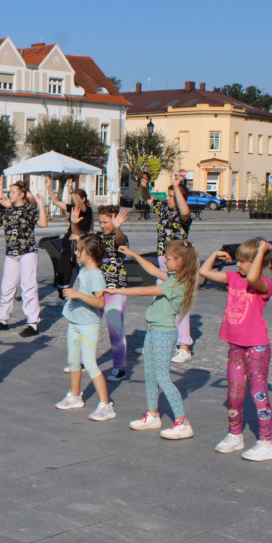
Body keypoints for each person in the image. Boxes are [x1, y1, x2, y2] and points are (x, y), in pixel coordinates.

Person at [199, 238, 272, 461]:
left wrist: (262, 250)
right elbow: (204, 272)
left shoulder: (265, 284)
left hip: (257, 347)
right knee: (234, 394)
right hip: (236, 346)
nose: (239, 264)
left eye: (245, 261)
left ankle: (267, 442)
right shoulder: (233, 278)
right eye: (238, 260)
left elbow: (253, 277)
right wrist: (215, 254)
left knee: (258, 394)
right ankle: (235, 435)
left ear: (259, 261)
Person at [106, 240, 200, 440]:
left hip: (164, 334)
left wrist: (117, 291)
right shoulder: (173, 278)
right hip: (154, 330)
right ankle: (153, 415)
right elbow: (153, 270)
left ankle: (183, 421)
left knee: (161, 376)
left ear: (180, 261)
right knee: (149, 373)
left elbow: (144, 291)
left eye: (168, 258)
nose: (164, 260)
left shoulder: (177, 284)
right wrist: (134, 253)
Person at [53, 234, 115, 421]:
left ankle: (106, 405)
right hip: (75, 322)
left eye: (79, 250)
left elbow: (100, 302)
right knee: (73, 361)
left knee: (89, 363)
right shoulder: (84, 268)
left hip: (89, 326)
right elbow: (91, 243)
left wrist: (77, 294)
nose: (77, 253)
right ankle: (75, 395)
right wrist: (80, 237)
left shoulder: (95, 275)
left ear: (88, 254)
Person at [138, 172, 194, 363]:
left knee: (179, 304)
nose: (168, 198)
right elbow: (148, 199)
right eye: (168, 195)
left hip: (178, 262)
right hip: (163, 260)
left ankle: (184, 347)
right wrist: (144, 186)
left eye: (172, 196)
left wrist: (176, 186)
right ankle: (153, 342)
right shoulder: (165, 210)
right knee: (158, 302)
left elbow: (185, 213)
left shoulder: (183, 214)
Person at [0, 177, 48, 337]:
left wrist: (41, 203)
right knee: (7, 287)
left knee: (28, 287)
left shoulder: (29, 210)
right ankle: (3, 319)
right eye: (10, 192)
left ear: (22, 194)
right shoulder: (9, 210)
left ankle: (33, 323)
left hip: (27, 252)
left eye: (13, 192)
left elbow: (43, 223)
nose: (10, 194)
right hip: (11, 253)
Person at [93, 206, 130, 381]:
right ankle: (86, 360)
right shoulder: (98, 238)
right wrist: (74, 224)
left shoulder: (119, 236)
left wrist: (117, 228)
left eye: (106, 222)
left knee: (115, 330)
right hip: (98, 288)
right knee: (90, 325)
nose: (102, 225)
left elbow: (120, 241)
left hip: (115, 288)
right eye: (100, 222)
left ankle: (119, 366)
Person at [46, 178, 92, 305]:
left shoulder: (86, 210)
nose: (74, 200)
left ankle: (87, 295)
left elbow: (81, 206)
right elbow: (56, 202)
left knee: (82, 268)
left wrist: (71, 191)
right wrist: (50, 188)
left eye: (77, 198)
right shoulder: (73, 208)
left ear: (82, 199)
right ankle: (62, 297)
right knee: (63, 269)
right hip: (69, 241)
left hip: (81, 241)